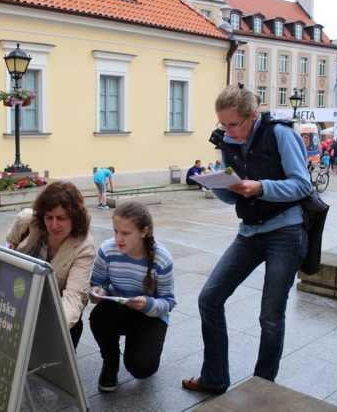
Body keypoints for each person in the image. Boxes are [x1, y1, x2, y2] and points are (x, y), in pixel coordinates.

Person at [182, 84, 311, 395]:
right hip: (250, 231)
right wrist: (216, 183)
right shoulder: (228, 141)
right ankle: (214, 377)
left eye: (233, 124)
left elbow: (302, 185)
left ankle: (262, 384)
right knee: (209, 299)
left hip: (285, 231)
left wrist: (261, 187)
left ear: (253, 116)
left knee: (270, 315)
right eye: (222, 124)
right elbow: (231, 198)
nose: (227, 131)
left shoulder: (281, 134)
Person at [89, 201, 176, 392]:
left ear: (143, 232)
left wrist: (147, 304)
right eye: (115, 231)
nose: (118, 238)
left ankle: (139, 345)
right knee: (98, 317)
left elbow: (169, 302)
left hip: (149, 315)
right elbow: (96, 284)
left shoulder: (162, 259)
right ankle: (110, 362)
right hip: (117, 308)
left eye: (126, 233)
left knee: (142, 369)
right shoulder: (106, 250)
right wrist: (98, 292)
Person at [6, 181, 95, 348]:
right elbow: (10, 243)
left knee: (58, 344)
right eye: (49, 217)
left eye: (61, 218)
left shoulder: (84, 246)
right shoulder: (28, 220)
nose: (53, 225)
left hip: (58, 303)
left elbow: (73, 296)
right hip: (22, 292)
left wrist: (54, 328)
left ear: (74, 217)